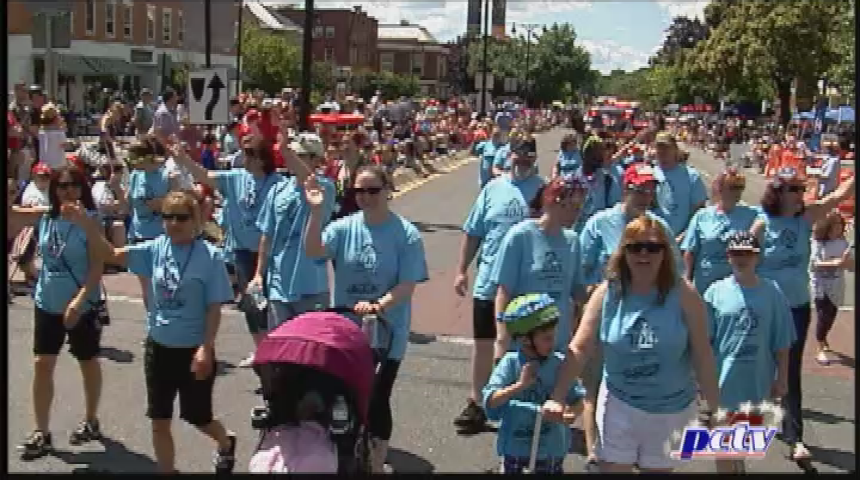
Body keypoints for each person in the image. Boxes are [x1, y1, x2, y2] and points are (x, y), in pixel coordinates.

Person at [66, 190, 238, 473]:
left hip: (193, 349)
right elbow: (110, 254)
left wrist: (206, 348)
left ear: (195, 220)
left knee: (198, 416)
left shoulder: (210, 257)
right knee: (159, 420)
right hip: (158, 347)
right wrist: (86, 224)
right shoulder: (155, 248)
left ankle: (225, 441)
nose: (174, 223)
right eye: (168, 217)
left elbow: (213, 308)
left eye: (181, 217)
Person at [542, 215, 721, 473]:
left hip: (670, 409)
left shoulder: (684, 294)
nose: (643, 254)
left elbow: (703, 355)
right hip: (620, 402)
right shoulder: (608, 293)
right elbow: (580, 347)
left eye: (652, 247)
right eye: (635, 247)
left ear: (665, 253)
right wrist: (557, 397)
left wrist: (716, 410)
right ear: (623, 252)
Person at [303, 164, 428, 473]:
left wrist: (378, 306)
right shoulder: (344, 227)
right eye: (359, 191)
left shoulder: (406, 234)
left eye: (373, 190)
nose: (366, 197)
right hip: (347, 330)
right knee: (342, 395)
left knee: (377, 396)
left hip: (387, 331)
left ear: (388, 191)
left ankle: (377, 459)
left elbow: (407, 284)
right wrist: (316, 213)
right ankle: (344, 449)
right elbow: (313, 251)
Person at [750, 167, 855, 461]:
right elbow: (743, 264)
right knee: (759, 364)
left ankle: (795, 437)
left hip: (796, 307)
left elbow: (840, 195)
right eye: (793, 189)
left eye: (800, 189)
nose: (799, 194)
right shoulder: (762, 224)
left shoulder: (806, 217)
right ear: (778, 193)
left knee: (791, 370)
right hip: (766, 307)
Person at [453, 141, 545, 434]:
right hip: (489, 283)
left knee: (525, 349)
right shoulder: (493, 189)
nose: (523, 160)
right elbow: (473, 232)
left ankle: (521, 407)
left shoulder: (543, 190)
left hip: (525, 288)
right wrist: (461, 271)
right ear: (509, 155)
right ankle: (477, 403)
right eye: (519, 154)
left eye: (529, 155)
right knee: (484, 346)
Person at [17, 166, 105, 460]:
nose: (68, 191)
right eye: (62, 186)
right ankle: (41, 432)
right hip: (47, 301)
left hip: (82, 304)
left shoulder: (91, 220)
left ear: (83, 189)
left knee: (87, 361)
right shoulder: (46, 217)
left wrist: (78, 303)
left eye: (74, 185)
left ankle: (91, 419)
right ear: (54, 190)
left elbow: (97, 267)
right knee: (42, 363)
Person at [171, 135, 283, 367]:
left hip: (271, 253)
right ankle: (261, 350)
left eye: (249, 154)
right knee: (251, 304)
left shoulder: (278, 183)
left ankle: (278, 350)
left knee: (274, 305)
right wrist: (184, 160)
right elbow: (206, 177)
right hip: (242, 252)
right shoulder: (236, 178)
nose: (244, 159)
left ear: (262, 159)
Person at [702, 231, 795, 473]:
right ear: (728, 256)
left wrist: (782, 378)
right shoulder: (715, 292)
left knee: (744, 440)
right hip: (723, 382)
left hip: (757, 380)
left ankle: (738, 464)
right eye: (736, 254)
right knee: (723, 445)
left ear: (757, 257)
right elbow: (704, 341)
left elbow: (782, 340)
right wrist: (699, 378)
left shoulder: (772, 292)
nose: (742, 259)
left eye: (747, 254)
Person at [483, 293, 585, 474]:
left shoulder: (559, 364)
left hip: (550, 451)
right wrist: (520, 386)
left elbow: (578, 400)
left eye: (553, 336)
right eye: (546, 338)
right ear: (525, 340)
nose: (552, 343)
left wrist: (571, 413)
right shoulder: (510, 363)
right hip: (516, 449)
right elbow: (490, 401)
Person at [490, 175, 588, 357]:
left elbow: (578, 292)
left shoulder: (573, 241)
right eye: (571, 206)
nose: (576, 213)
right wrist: (502, 338)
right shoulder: (520, 236)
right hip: (524, 342)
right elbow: (504, 292)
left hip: (558, 343)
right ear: (551, 202)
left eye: (579, 208)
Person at [250, 133, 336, 333]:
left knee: (310, 345)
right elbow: (267, 236)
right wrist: (259, 274)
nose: (290, 159)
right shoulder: (277, 190)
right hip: (279, 287)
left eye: (300, 155)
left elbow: (310, 179)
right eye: (292, 154)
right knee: (280, 344)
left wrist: (286, 151)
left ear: (315, 159)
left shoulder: (325, 188)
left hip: (312, 287)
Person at [681, 168, 759, 293]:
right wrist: (687, 280)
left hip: (737, 287)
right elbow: (690, 252)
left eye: (740, 187)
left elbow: (772, 214)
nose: (737, 191)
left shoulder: (751, 215)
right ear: (720, 188)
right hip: (705, 285)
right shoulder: (702, 216)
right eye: (733, 187)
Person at [809, 211, 854, 366]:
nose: (839, 228)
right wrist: (835, 263)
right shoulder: (818, 242)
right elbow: (814, 264)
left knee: (831, 316)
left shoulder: (843, 243)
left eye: (840, 225)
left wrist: (848, 263)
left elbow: (850, 266)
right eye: (835, 225)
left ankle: (823, 338)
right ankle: (820, 347)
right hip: (820, 285)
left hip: (837, 285)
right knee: (823, 316)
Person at [651, 132, 708, 242]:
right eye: (659, 147)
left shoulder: (691, 176)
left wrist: (684, 236)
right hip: (654, 241)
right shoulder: (649, 174)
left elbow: (699, 212)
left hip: (682, 241)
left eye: (666, 147)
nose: (662, 151)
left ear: (675, 150)